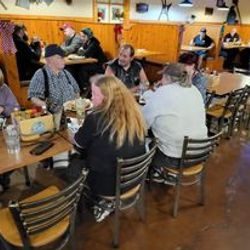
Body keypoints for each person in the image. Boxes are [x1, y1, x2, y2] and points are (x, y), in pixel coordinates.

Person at [73, 75, 146, 222]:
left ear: (107, 98)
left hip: (107, 186)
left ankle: (99, 202)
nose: (91, 98)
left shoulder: (94, 118)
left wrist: (71, 133)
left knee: (69, 166)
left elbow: (78, 143)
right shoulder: (135, 112)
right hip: (134, 180)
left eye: (94, 95)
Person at [142, 63, 207, 185]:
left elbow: (143, 123)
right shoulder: (194, 90)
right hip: (199, 155)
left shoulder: (163, 92)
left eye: (162, 77)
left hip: (174, 159)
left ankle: (155, 172)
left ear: (167, 77)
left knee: (141, 140)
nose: (160, 80)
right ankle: (161, 173)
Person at [28, 44, 80, 114]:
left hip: (72, 114)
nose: (63, 60)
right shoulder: (41, 74)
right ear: (48, 60)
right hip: (54, 116)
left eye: (63, 57)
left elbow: (77, 91)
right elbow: (33, 97)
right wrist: (44, 106)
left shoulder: (66, 73)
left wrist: (75, 107)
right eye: (59, 57)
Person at [0, 68, 19, 191]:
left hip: (4, 128)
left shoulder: (4, 89)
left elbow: (15, 107)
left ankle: (3, 177)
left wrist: (3, 109)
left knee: (13, 152)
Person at [76, 27, 107, 92]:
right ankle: (81, 87)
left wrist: (82, 51)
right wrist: (81, 51)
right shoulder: (87, 42)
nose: (81, 38)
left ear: (89, 36)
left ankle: (86, 87)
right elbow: (79, 51)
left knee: (83, 69)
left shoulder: (94, 43)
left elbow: (85, 53)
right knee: (77, 67)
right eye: (81, 36)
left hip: (101, 65)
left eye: (83, 36)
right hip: (93, 63)